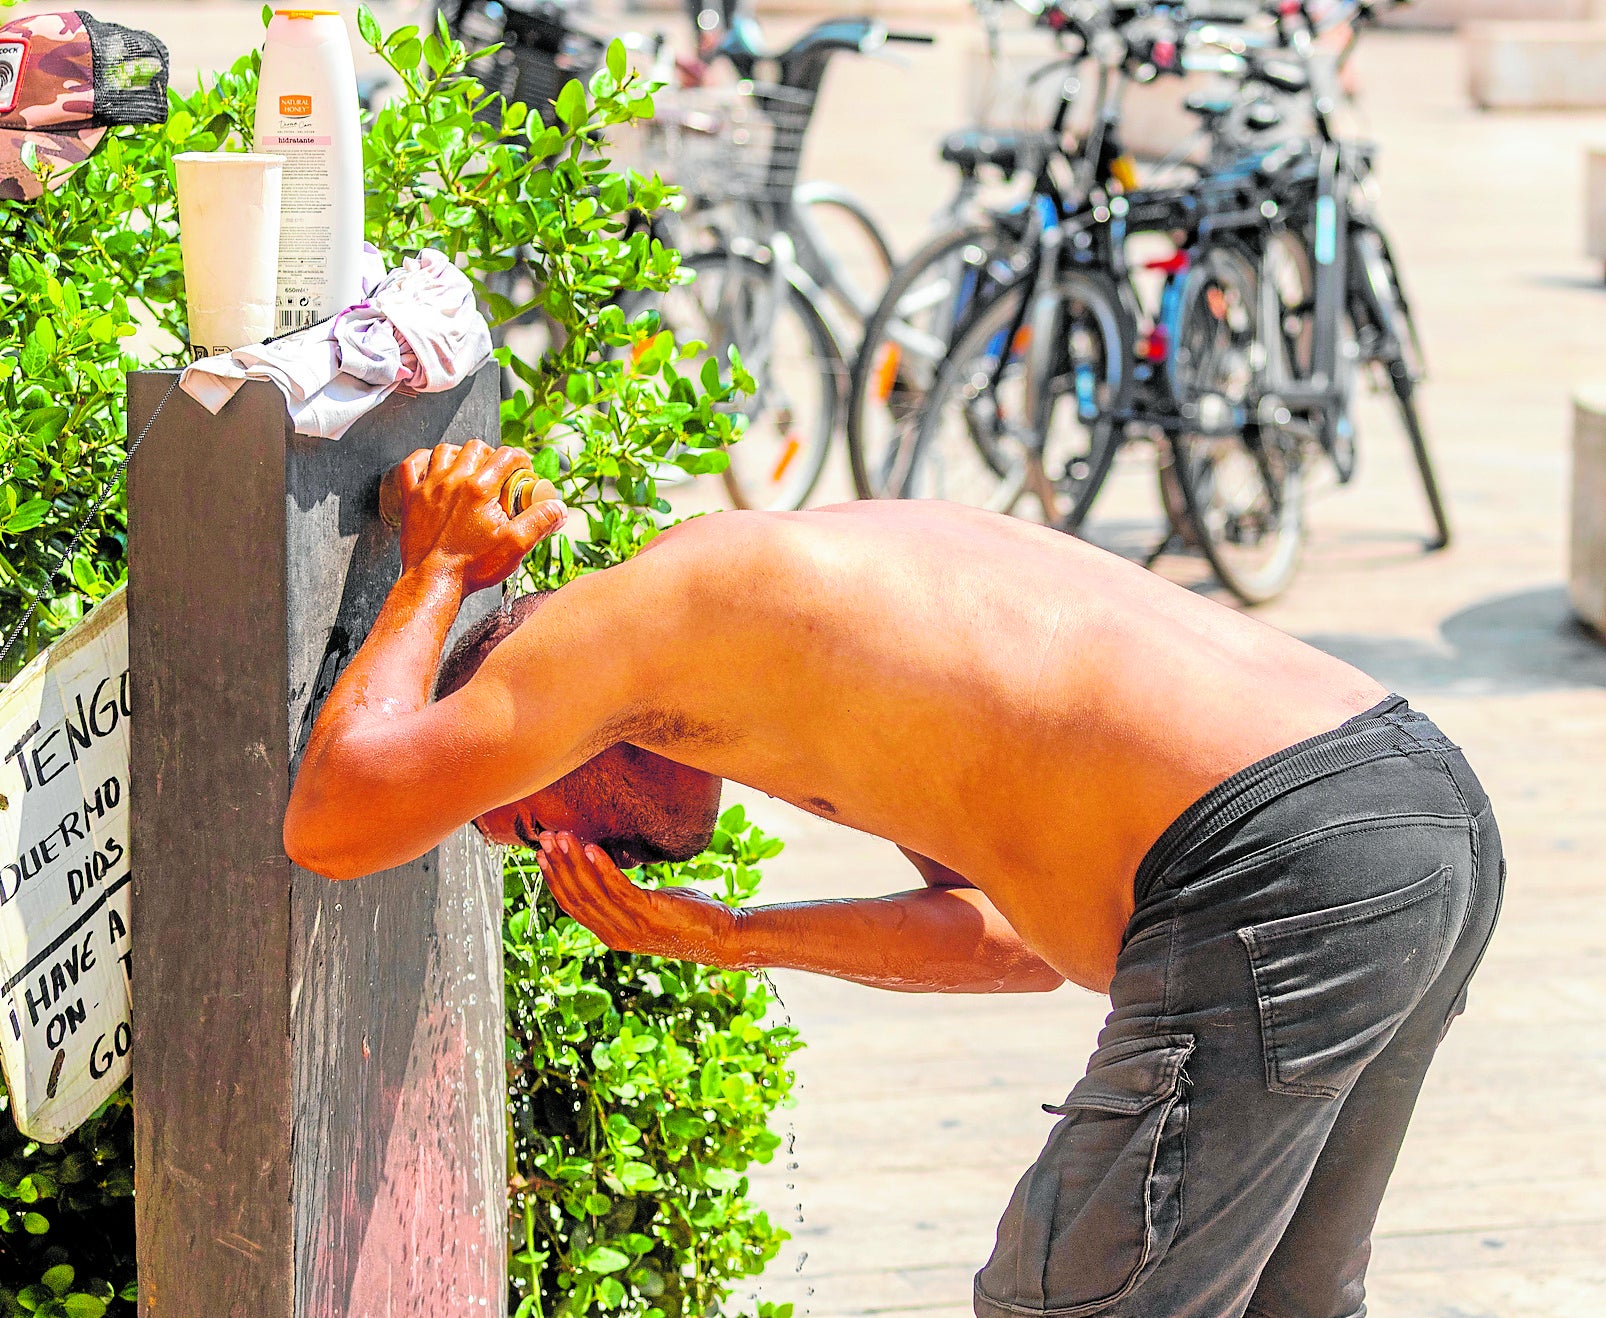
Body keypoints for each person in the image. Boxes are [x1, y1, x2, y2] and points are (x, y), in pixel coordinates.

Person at [285, 440, 1503, 1318]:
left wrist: (436, 569)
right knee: (1284, 1301)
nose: (563, 857)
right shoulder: (811, 649)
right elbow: (1011, 944)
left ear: (535, 724)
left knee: (1065, 1296)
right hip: (1411, 809)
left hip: (1276, 854)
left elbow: (337, 818)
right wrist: (728, 935)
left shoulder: (632, 619)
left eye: (513, 822)